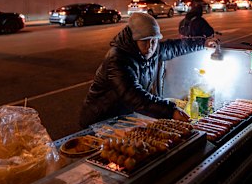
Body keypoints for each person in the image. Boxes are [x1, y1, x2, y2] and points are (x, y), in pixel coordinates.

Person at [79, 12, 208, 127]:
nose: (150, 47)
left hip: (123, 117)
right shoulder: (117, 58)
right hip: (100, 119)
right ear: (134, 40)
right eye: (145, 42)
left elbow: (176, 47)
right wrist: (170, 111)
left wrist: (202, 43)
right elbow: (133, 96)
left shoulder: (153, 50)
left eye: (154, 41)